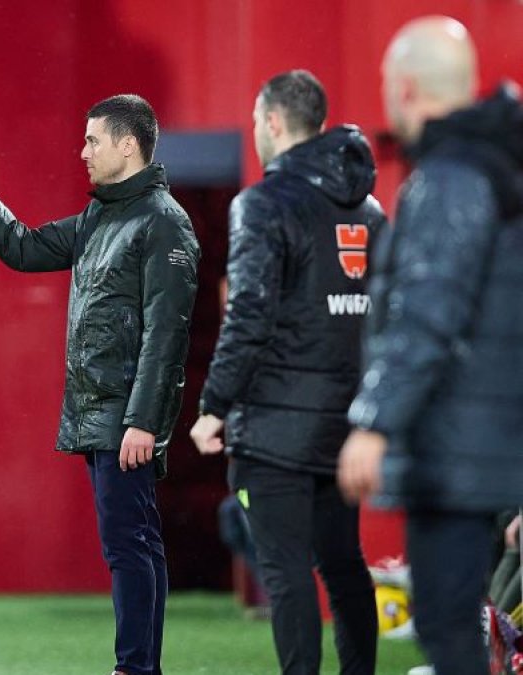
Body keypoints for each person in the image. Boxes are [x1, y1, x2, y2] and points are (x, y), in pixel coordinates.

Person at [0, 94, 200, 675]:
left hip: (126, 417)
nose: (83, 151)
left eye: (94, 140)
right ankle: (139, 666)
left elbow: (166, 337)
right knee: (132, 543)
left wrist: (143, 420)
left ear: (129, 145)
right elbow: (22, 248)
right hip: (101, 415)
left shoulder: (163, 222)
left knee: (131, 545)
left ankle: (136, 667)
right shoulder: (101, 216)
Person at [337, 15, 523, 675]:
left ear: (408, 88)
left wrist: (374, 421)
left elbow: (426, 312)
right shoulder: (498, 168)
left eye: (389, 81)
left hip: (455, 450)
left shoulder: (449, 178)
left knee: (448, 626)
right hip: (492, 441)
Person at [189, 70, 384, 674]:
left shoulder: (263, 204)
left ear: (273, 122)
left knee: (287, 571)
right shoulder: (370, 209)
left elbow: (248, 316)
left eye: (255, 123)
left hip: (275, 427)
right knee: (344, 563)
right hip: (344, 423)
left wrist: (214, 406)